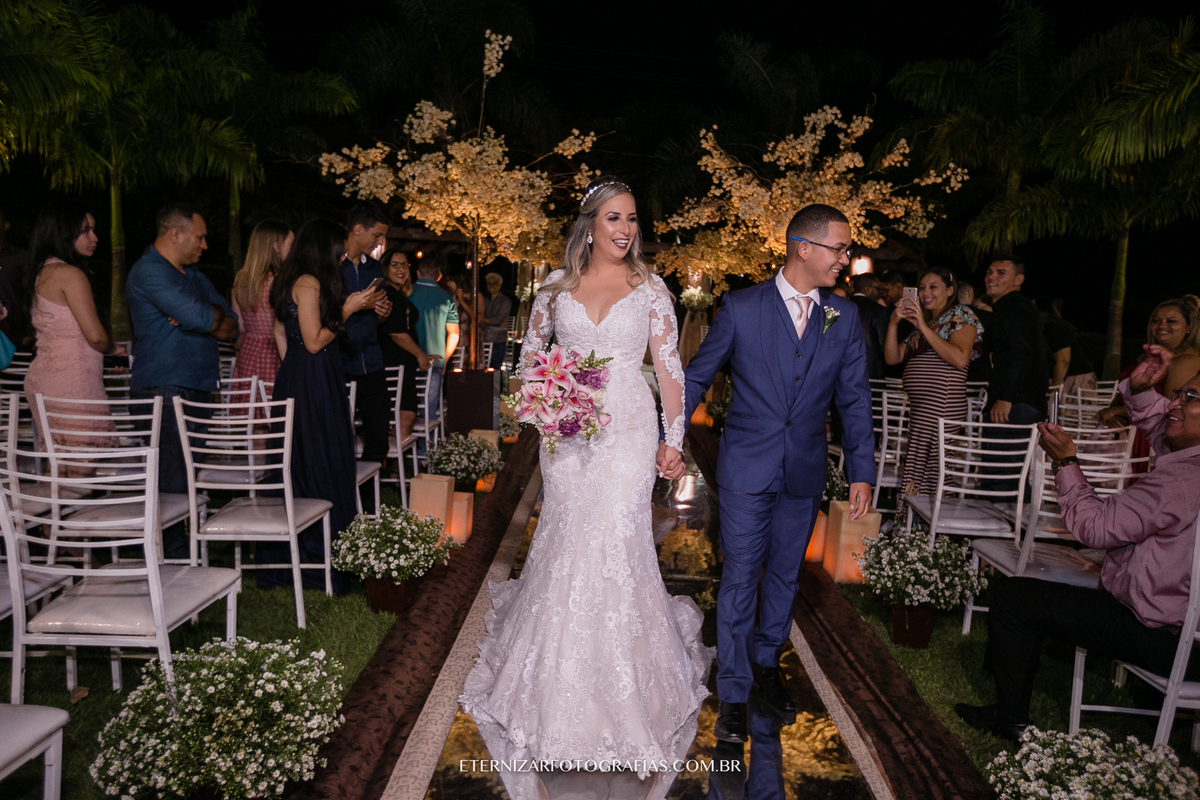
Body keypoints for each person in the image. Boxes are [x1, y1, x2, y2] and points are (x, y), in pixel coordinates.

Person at [459, 177, 713, 800]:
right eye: (614, 218)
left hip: (628, 426)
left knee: (618, 537)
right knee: (568, 535)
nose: (625, 229)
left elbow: (670, 370)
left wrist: (673, 439)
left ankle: (625, 680)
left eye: (632, 219)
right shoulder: (554, 286)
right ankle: (552, 675)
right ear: (590, 225)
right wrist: (549, 397)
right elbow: (529, 358)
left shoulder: (651, 288)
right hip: (568, 434)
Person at [683, 203, 875, 744]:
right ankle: (734, 691)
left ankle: (767, 664)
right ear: (803, 248)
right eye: (839, 248)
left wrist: (861, 471)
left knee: (787, 575)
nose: (845, 259)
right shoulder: (742, 308)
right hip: (747, 467)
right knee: (742, 575)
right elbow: (697, 376)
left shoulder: (844, 316)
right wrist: (668, 436)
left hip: (805, 471)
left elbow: (854, 399)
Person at [954, 343, 1200, 742]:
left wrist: (1066, 462)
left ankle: (1009, 719)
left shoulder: (1180, 482)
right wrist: (1140, 391)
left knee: (1013, 598)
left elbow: (1094, 528)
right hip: (1183, 635)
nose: (1174, 403)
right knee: (1045, 596)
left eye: (1190, 396)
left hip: (1158, 635)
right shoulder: (1189, 461)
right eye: (1177, 393)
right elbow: (1164, 430)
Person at [261, 218, 377, 595]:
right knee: (318, 457)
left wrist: (291, 370)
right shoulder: (308, 282)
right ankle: (319, 554)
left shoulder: (294, 279)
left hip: (306, 375)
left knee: (307, 456)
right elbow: (313, 342)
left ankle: (319, 549)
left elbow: (282, 332)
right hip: (312, 376)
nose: (342, 257)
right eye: (339, 251)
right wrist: (348, 309)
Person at [128, 202, 237, 507]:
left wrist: (205, 315)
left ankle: (188, 538)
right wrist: (206, 316)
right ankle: (171, 540)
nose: (205, 245)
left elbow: (231, 325)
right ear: (176, 235)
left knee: (189, 482)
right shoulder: (149, 271)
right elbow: (204, 320)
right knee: (172, 489)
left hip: (199, 389)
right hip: (164, 391)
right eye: (200, 237)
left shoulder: (195, 276)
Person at [23, 200, 124, 448]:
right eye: (86, 231)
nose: (95, 238)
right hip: (72, 383)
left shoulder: (42, 271)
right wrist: (114, 350)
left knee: (59, 463)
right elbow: (96, 337)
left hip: (45, 378)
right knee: (82, 463)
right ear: (63, 233)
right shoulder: (70, 275)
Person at [884, 267, 983, 498]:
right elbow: (893, 357)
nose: (925, 292)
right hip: (921, 408)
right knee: (917, 467)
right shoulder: (929, 323)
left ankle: (935, 517)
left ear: (950, 290)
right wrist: (893, 323)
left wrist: (922, 327)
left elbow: (960, 358)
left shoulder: (961, 314)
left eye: (933, 287)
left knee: (934, 469)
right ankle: (912, 517)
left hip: (942, 404)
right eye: (922, 288)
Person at [980, 255, 1048, 491]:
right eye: (989, 272)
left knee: (1002, 479)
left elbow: (1022, 353)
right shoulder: (1009, 308)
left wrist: (1006, 397)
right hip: (1019, 402)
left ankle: (1009, 516)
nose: (991, 277)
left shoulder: (1015, 307)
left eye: (1001, 273)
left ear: (1018, 279)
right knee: (1006, 477)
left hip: (1015, 405)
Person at [339, 202, 392, 473]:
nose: (380, 242)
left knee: (379, 434)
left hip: (371, 361)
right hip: (340, 360)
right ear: (358, 229)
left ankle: (371, 493)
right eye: (377, 235)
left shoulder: (374, 269)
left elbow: (376, 318)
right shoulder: (332, 265)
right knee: (339, 435)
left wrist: (382, 313)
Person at [1098, 299, 1200, 427]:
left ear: (1189, 327)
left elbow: (1170, 407)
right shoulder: (1148, 356)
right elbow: (1125, 396)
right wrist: (1114, 414)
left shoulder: (1186, 361)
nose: (1161, 326)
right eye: (1156, 321)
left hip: (1152, 435)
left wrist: (1117, 411)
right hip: (1128, 430)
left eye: (1171, 321)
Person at [231, 220, 292, 392]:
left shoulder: (242, 279)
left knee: (250, 403)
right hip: (276, 352)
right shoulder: (282, 280)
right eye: (291, 245)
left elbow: (240, 326)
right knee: (276, 403)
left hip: (249, 351)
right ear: (276, 246)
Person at [378, 248, 429, 441]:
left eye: (405, 265)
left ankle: (396, 460)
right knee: (405, 416)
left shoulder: (397, 295)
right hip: (394, 366)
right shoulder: (386, 294)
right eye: (395, 265)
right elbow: (395, 331)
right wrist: (419, 354)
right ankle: (397, 459)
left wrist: (420, 354)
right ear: (385, 268)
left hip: (403, 365)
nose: (401, 269)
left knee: (403, 419)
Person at [408, 256, 459, 419]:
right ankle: (427, 436)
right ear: (439, 276)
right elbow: (454, 333)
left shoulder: (407, 292)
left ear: (417, 273)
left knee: (404, 409)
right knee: (428, 412)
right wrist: (445, 358)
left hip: (408, 357)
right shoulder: (447, 297)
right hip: (435, 360)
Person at [1043, 299, 1096, 397]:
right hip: (1067, 379)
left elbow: (1063, 361)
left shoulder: (1056, 328)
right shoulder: (1048, 329)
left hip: (1074, 381)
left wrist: (1054, 391)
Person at [850, 273, 890, 381]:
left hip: (843, 371)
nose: (879, 294)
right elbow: (884, 347)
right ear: (867, 289)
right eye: (877, 289)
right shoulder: (879, 311)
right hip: (871, 372)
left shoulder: (840, 308)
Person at [0, 207, 30, 346]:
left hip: (13, 337)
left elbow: (32, 296)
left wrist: (30, 333)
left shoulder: (21, 258)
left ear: (6, 225)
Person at [481, 271, 512, 369]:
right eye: (489, 284)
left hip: (497, 340)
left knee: (495, 369)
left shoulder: (505, 301)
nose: (491, 286)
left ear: (499, 285)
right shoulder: (484, 300)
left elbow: (498, 320)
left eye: (494, 283)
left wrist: (481, 319)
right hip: (484, 338)